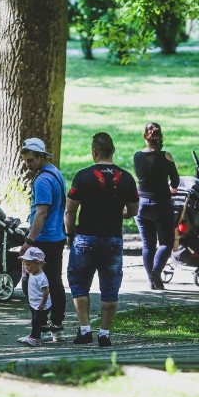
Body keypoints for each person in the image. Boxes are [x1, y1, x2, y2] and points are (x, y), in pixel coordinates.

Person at [65, 132, 139, 347]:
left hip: (85, 238)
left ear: (94, 152)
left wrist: (70, 235)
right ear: (113, 151)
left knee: (79, 284)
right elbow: (133, 210)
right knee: (110, 287)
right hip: (112, 240)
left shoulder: (83, 176)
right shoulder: (126, 178)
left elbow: (70, 210)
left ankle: (85, 329)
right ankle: (104, 334)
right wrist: (119, 213)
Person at [18, 137, 67, 340]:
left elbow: (41, 213)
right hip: (57, 236)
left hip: (44, 239)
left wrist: (29, 241)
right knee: (54, 281)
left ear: (40, 156)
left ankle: (38, 330)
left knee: (34, 284)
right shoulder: (55, 173)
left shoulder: (42, 180)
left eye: (30, 160)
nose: (28, 165)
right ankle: (56, 323)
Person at [133, 122, 179, 290]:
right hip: (161, 205)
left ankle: (151, 279)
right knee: (166, 242)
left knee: (148, 245)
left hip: (142, 204)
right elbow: (175, 182)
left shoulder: (137, 156)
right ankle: (155, 273)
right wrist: (171, 188)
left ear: (146, 136)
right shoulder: (166, 156)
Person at [16, 246, 51, 347]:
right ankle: (36, 335)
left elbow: (46, 291)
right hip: (34, 303)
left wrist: (42, 304)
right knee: (36, 320)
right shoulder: (33, 273)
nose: (26, 268)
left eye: (28, 265)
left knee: (36, 321)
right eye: (25, 265)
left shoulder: (41, 277)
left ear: (38, 263)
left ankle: (34, 338)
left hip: (41, 304)